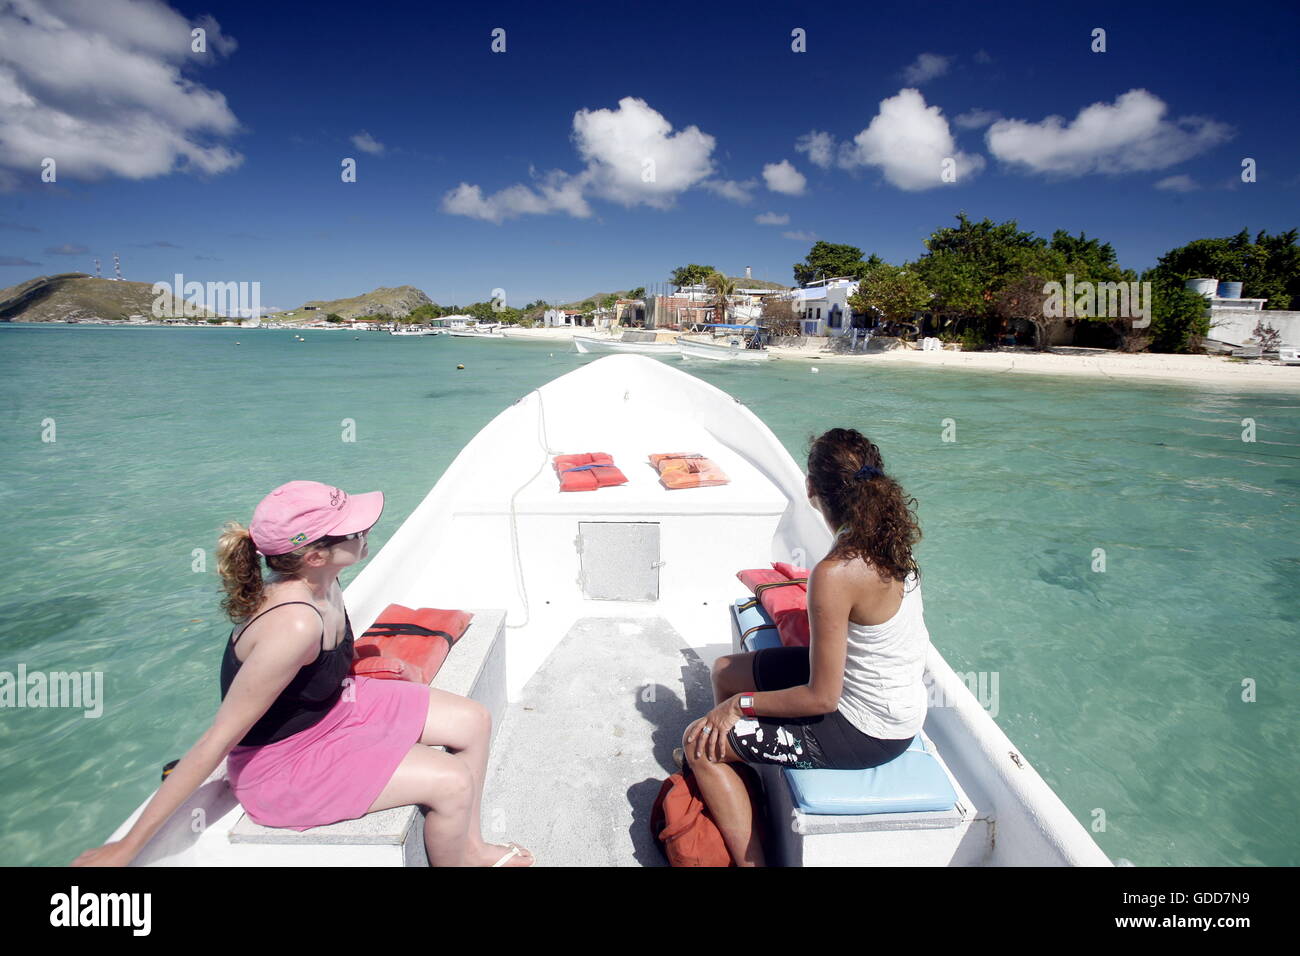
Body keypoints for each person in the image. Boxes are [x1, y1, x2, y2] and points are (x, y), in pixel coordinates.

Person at [72, 480, 532, 868]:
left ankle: (468, 850)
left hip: (333, 709)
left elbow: (318, 673)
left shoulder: (327, 579)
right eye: (354, 528)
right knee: (451, 781)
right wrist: (126, 847)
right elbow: (218, 740)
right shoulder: (293, 625)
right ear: (314, 555)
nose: (366, 530)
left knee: (473, 719)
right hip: (284, 766)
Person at [679, 429, 929, 866]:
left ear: (811, 489)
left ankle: (750, 860)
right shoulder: (888, 540)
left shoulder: (836, 573)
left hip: (867, 729)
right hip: (880, 695)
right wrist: (736, 696)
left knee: (698, 741)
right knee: (723, 669)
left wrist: (740, 706)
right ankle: (738, 778)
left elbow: (822, 697)